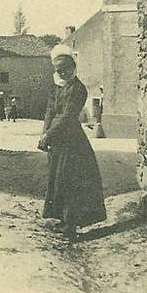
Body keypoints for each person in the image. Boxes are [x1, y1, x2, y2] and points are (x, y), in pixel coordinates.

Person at [38, 44, 107, 242]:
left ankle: (71, 225)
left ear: (73, 67)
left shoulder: (78, 89)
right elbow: (50, 112)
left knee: (71, 181)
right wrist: (45, 133)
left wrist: (50, 134)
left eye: (65, 68)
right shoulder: (56, 88)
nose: (62, 73)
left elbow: (68, 116)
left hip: (72, 142)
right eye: (58, 69)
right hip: (57, 141)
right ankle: (62, 219)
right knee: (58, 180)